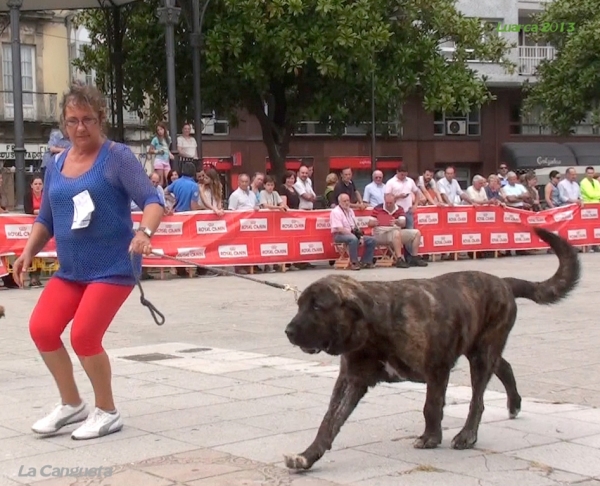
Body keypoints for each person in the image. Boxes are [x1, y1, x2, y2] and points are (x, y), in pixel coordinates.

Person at [11, 83, 164, 441]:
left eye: (88, 120)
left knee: (84, 336)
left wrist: (145, 233)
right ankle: (71, 403)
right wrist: (28, 251)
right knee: (42, 328)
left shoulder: (117, 157)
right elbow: (46, 218)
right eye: (72, 121)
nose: (80, 128)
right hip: (72, 270)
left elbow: (152, 199)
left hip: (113, 267)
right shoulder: (57, 162)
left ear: (101, 120)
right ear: (64, 124)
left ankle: (107, 410)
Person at [23, 174, 45, 287]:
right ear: (31, 185)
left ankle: (37, 276)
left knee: (42, 250)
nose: (38, 186)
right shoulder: (27, 196)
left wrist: (38, 211)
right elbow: (28, 210)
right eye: (35, 184)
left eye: (40, 184)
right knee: (32, 248)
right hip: (30, 226)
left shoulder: (46, 195)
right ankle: (32, 276)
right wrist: (40, 211)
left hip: (43, 226)